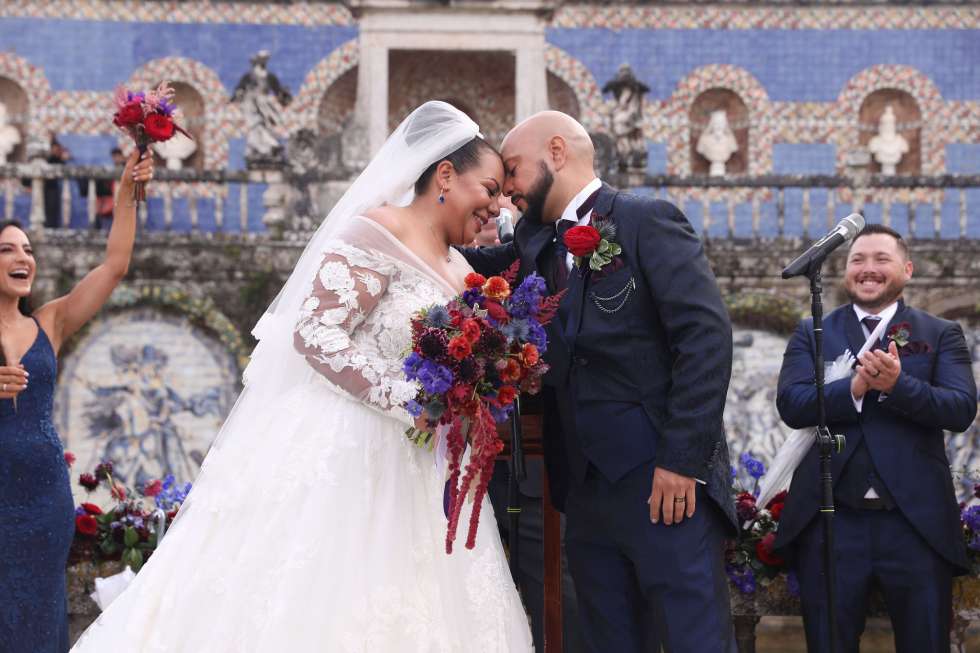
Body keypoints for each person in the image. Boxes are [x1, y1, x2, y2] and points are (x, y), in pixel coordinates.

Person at [70, 102, 533, 652]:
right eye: (490, 188)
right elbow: (315, 332)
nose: (497, 205)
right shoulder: (379, 231)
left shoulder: (462, 270)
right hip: (350, 445)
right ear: (445, 174)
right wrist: (408, 399)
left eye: (504, 193)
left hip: (424, 465)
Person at [465, 110, 737, 652]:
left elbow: (705, 339)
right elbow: (464, 269)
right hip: (583, 490)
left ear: (557, 153)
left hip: (663, 483)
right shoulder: (534, 243)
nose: (507, 192)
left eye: (513, 171)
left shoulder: (645, 220)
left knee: (693, 638)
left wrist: (680, 462)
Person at [774, 224, 978, 653]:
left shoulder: (939, 334)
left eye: (881, 260)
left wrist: (898, 386)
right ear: (845, 272)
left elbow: (960, 409)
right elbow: (792, 405)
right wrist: (853, 390)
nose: (868, 269)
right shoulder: (814, 331)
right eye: (857, 261)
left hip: (914, 524)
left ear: (907, 269)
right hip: (832, 522)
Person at [0, 149, 153, 652]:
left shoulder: (50, 322)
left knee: (40, 617)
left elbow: (114, 265)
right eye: (7, 250)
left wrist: (128, 189)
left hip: (43, 499)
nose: (23, 258)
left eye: (27, 249)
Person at [78, 147, 125, 229]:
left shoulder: (126, 169)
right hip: (109, 200)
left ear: (121, 157)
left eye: (118, 156)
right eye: (114, 156)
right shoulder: (111, 170)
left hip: (120, 200)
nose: (116, 159)